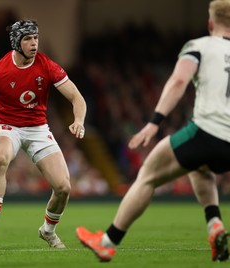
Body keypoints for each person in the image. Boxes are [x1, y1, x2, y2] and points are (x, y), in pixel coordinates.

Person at [76, 0, 230, 262]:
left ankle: (107, 242)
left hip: (207, 131)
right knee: (198, 166)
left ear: (210, 23)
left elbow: (179, 81)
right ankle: (214, 224)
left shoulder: (199, 46)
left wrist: (154, 122)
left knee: (148, 175)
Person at [0, 19, 87, 248]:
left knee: (64, 188)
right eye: (27, 39)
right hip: (7, 125)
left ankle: (48, 230)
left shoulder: (47, 65)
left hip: (37, 128)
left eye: (35, 37)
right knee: (0, 157)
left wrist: (79, 121)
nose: (34, 43)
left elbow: (77, 97)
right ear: (16, 42)